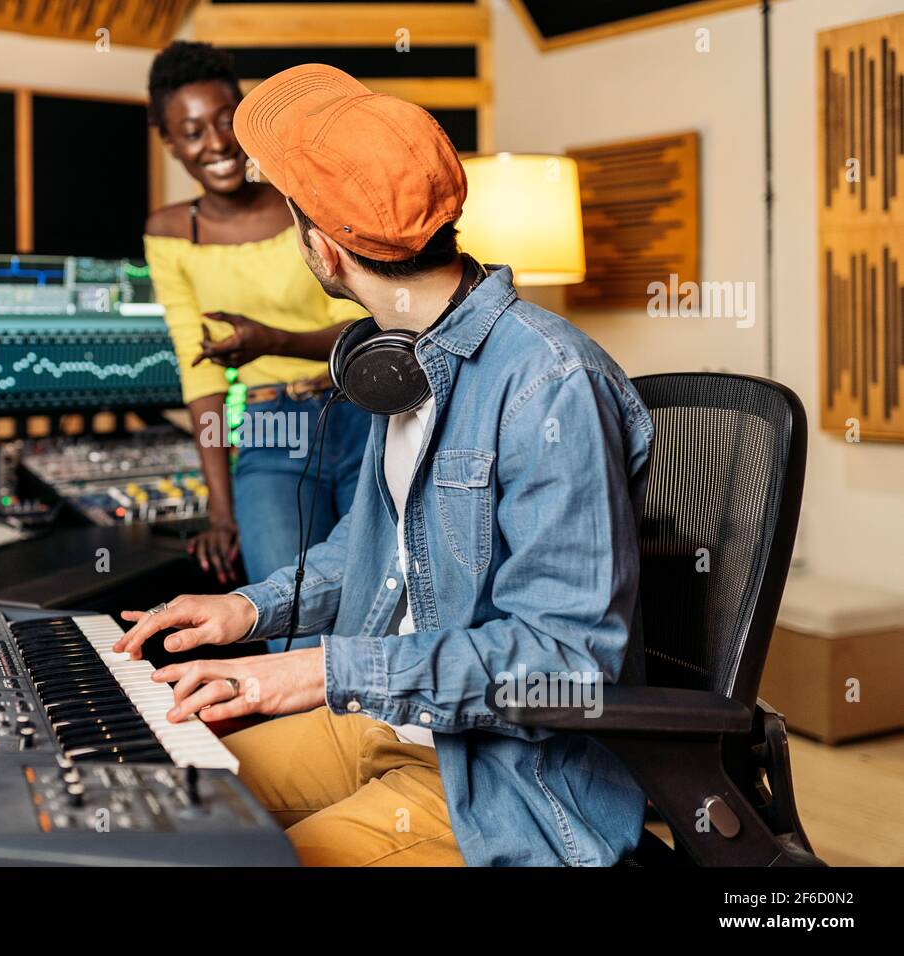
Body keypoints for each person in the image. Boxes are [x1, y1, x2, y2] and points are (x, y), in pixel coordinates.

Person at [117, 64, 656, 866]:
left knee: (225, 859)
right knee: (150, 793)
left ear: (324, 250)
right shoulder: (398, 360)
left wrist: (323, 669)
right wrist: (248, 611)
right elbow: (375, 552)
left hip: (498, 783)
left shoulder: (548, 381)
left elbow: (567, 663)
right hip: (383, 727)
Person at [144, 42, 371, 641]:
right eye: (191, 132)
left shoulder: (306, 199)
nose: (215, 145)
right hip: (270, 435)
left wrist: (269, 340)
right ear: (169, 143)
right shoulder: (169, 234)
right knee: (286, 624)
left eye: (225, 122)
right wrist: (221, 510)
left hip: (361, 415)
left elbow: (368, 328)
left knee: (374, 618)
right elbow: (202, 378)